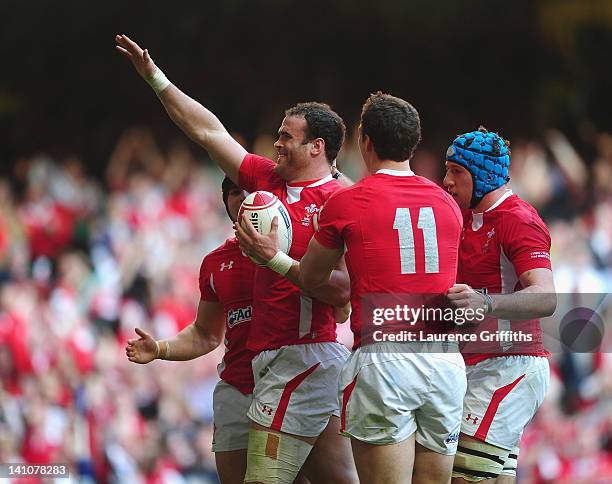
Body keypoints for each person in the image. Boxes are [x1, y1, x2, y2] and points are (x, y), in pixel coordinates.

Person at [116, 34, 357, 484]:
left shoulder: (341, 201)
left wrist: (277, 260)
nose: (277, 144)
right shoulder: (267, 181)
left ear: (317, 147)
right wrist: (155, 77)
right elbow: (208, 131)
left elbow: (344, 292)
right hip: (269, 359)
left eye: (287, 137)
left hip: (305, 356)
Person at [238, 92, 468, 484]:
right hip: (444, 361)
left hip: (386, 359)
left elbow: (311, 279)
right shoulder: (446, 203)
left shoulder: (348, 201)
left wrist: (271, 255)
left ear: (364, 141)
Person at [443, 127, 556, 483]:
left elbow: (546, 296)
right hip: (480, 367)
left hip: (511, 366)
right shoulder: (464, 216)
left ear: (483, 175)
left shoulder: (518, 219)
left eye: (456, 172)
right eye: (446, 170)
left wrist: (485, 303)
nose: (447, 181)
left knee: (461, 476)